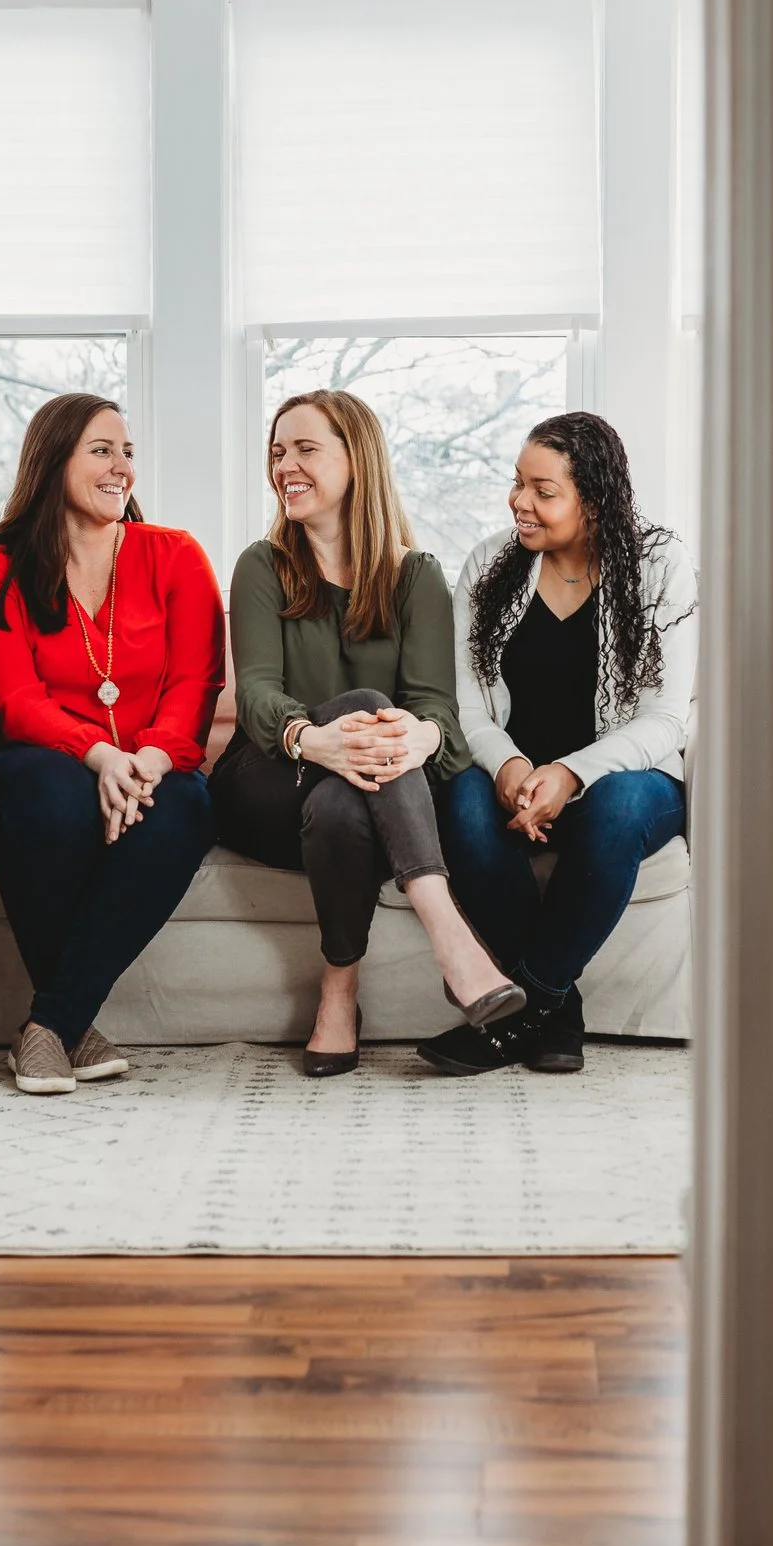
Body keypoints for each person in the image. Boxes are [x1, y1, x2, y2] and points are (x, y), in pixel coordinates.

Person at [212, 389, 526, 1078]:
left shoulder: (417, 576)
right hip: (268, 784)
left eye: (304, 448)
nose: (284, 465)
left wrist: (420, 739)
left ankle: (338, 993)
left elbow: (438, 713)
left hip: (363, 804)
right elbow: (259, 694)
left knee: (346, 797)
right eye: (276, 452)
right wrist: (310, 738)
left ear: (358, 460)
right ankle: (453, 938)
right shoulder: (261, 566)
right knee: (366, 705)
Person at [0, 393, 223, 1095]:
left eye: (127, 452)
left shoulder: (175, 554)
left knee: (188, 806)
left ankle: (50, 1024)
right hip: (30, 770)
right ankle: (72, 1026)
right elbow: (12, 698)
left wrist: (148, 761)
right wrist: (98, 756)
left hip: (150, 766)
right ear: (53, 460)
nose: (120, 468)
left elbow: (197, 682)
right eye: (101, 450)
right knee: (50, 791)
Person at [428, 411, 698, 1076]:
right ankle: (558, 1013)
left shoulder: (662, 564)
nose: (521, 501)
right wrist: (514, 766)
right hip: (513, 775)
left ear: (596, 498)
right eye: (518, 483)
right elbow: (465, 705)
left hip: (628, 781)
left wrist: (571, 775)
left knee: (617, 809)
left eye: (543, 491)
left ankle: (516, 1013)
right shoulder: (490, 563)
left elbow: (668, 717)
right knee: (460, 803)